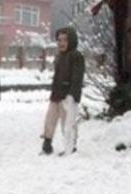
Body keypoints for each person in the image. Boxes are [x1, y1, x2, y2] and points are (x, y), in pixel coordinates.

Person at [41, 26, 85, 155]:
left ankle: (71, 146)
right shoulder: (59, 57)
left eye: (65, 40)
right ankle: (47, 143)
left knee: (68, 122)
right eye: (59, 40)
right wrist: (53, 91)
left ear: (71, 41)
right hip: (56, 94)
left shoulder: (76, 56)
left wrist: (72, 95)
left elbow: (77, 77)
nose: (61, 43)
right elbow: (57, 76)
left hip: (68, 95)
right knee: (50, 119)